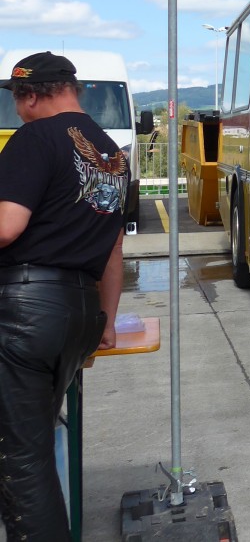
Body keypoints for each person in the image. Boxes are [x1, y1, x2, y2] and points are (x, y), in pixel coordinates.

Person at [0, 51, 128, 541]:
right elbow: (113, 250)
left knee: (21, 461)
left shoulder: (34, 138)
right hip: (77, 316)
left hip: (24, 313)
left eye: (17, 100)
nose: (17, 111)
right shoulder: (111, 152)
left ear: (32, 95)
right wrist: (107, 320)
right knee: (29, 448)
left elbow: (8, 227)